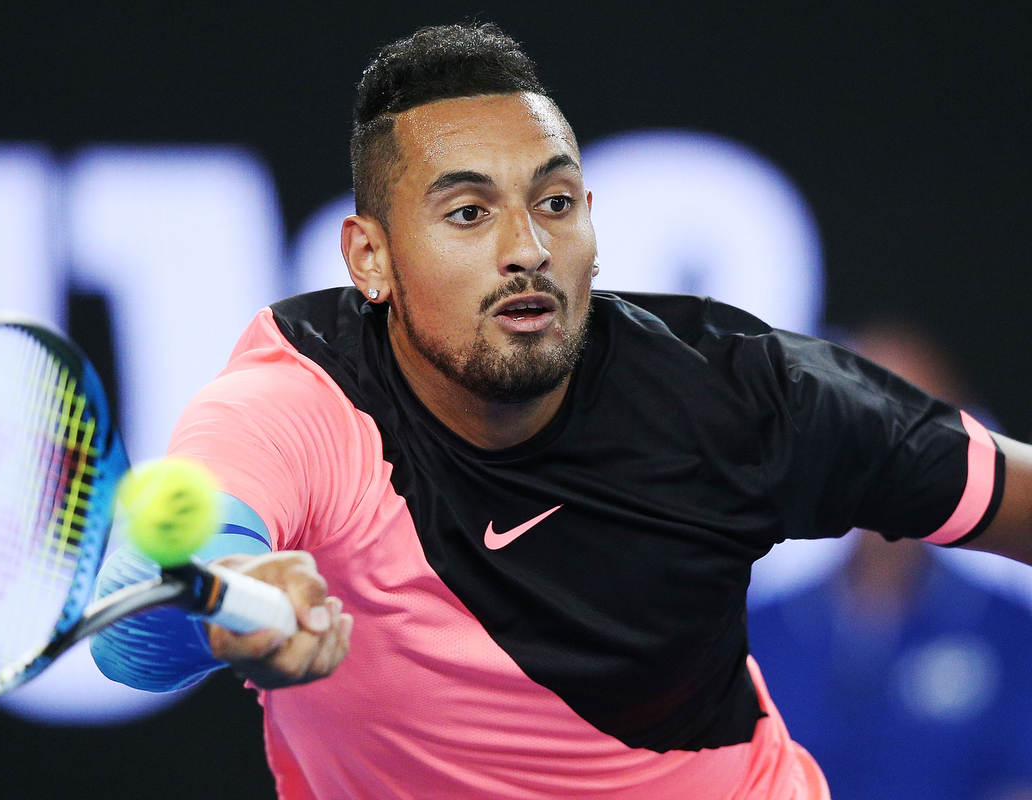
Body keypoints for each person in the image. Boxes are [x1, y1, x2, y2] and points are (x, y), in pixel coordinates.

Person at [90, 23, 1032, 799]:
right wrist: (225, 609)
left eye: (555, 201)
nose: (527, 247)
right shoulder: (298, 398)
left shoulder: (734, 396)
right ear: (368, 258)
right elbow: (138, 625)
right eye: (467, 212)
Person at [749, 321, 1032, 800]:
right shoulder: (752, 634)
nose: (889, 457)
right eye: (865, 424)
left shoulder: (1012, 634)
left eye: (918, 432)